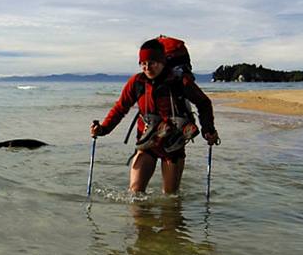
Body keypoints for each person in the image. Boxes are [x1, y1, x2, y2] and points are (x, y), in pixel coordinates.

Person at [90, 38, 219, 194]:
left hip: (173, 146)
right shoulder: (136, 83)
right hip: (147, 143)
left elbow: (204, 103)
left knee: (170, 199)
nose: (147, 67)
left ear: (162, 61)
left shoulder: (179, 81)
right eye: (143, 63)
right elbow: (120, 108)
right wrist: (103, 129)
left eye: (152, 63)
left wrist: (208, 129)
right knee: (135, 193)